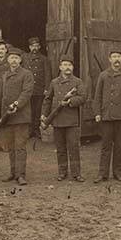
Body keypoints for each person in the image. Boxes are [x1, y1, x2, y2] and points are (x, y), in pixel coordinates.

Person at [0, 47, 34, 185]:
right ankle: (13, 172)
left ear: (20, 60)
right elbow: (1, 97)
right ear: (8, 60)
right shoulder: (4, 75)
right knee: (10, 146)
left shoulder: (27, 74)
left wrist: (17, 104)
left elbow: (27, 92)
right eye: (11, 58)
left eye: (16, 58)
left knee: (20, 146)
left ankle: (21, 175)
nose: (14, 61)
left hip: (21, 116)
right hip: (7, 117)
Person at [93, 47, 121, 182]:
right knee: (106, 145)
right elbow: (97, 95)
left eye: (119, 57)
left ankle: (118, 172)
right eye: (114, 57)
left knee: (119, 145)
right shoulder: (103, 75)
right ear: (109, 59)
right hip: (107, 115)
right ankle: (103, 173)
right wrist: (97, 113)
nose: (116, 59)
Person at [42, 54, 87, 182]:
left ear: (72, 67)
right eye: (65, 65)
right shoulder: (54, 82)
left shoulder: (78, 82)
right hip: (57, 120)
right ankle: (62, 172)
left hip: (72, 120)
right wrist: (44, 114)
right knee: (60, 148)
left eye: (70, 65)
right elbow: (48, 99)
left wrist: (70, 101)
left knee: (74, 147)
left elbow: (83, 97)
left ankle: (76, 173)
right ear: (60, 67)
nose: (67, 67)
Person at [22, 36, 52, 139]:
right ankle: (30, 130)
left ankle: (36, 129)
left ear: (39, 47)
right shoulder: (24, 58)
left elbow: (48, 74)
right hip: (28, 89)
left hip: (39, 89)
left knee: (38, 110)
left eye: (36, 46)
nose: (34, 48)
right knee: (29, 110)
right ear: (29, 47)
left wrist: (47, 88)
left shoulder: (44, 59)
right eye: (32, 46)